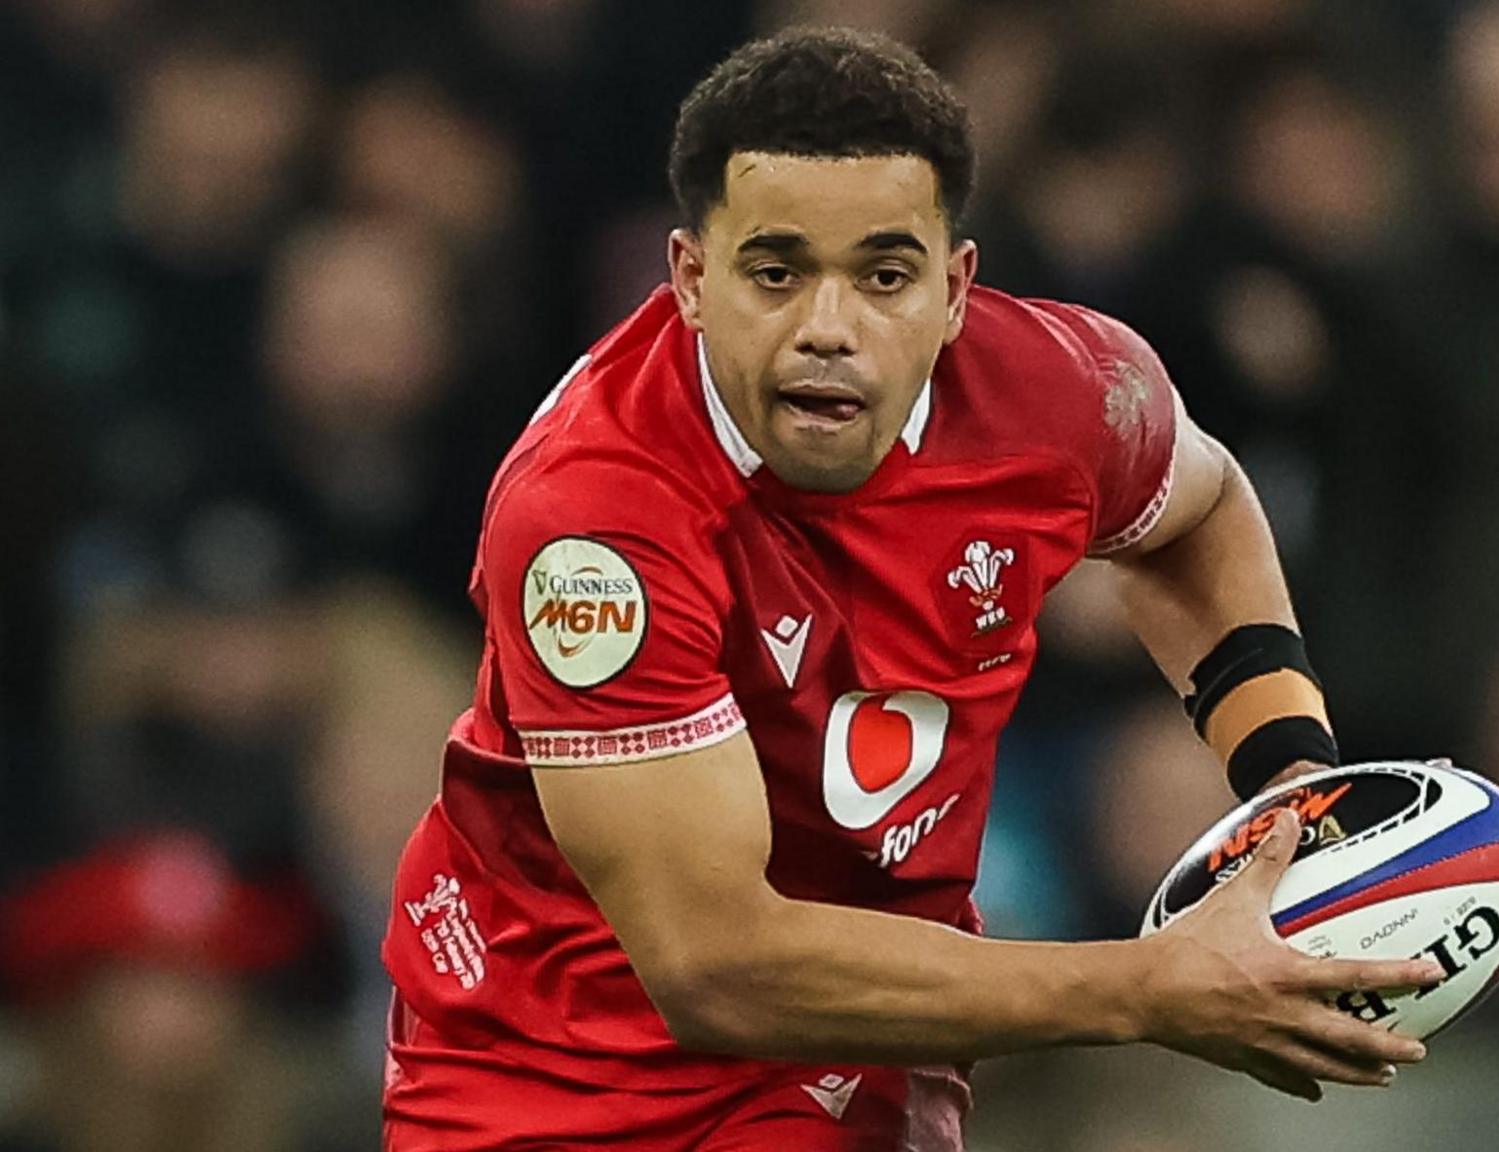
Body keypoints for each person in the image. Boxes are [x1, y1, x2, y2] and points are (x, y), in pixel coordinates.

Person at [380, 27, 1442, 1151]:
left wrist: (1288, 778)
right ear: (691, 280)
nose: (827, 330)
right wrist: (1149, 987)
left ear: (955, 287)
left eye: (884, 277)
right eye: (776, 273)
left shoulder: (1061, 391)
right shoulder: (595, 524)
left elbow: (1199, 512)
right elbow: (715, 967)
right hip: (559, 1081)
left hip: (861, 1051)